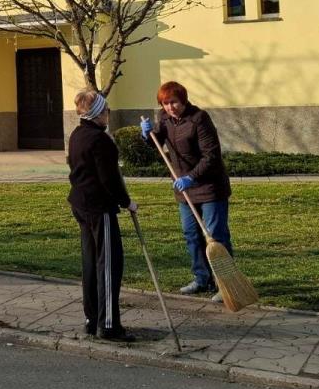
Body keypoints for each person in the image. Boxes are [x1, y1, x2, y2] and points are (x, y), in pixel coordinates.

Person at [141, 81, 232, 303]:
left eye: (174, 102)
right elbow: (156, 142)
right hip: (184, 190)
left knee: (215, 235)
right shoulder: (164, 118)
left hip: (209, 187)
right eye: (165, 103)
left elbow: (211, 156)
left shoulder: (199, 119)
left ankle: (226, 284)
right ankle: (201, 278)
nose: (170, 107)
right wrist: (147, 135)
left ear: (183, 100)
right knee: (191, 234)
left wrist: (191, 177)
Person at [67, 89, 137, 343]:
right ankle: (108, 326)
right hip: (98, 207)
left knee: (91, 262)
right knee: (108, 265)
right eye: (106, 110)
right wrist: (127, 202)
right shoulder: (100, 141)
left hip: (81, 204)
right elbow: (109, 179)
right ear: (98, 114)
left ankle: (92, 318)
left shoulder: (77, 134)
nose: (108, 114)